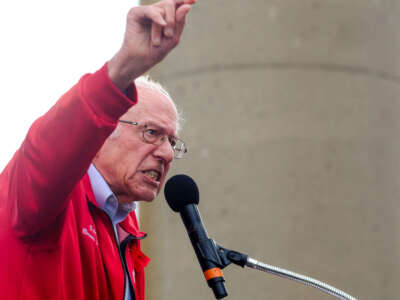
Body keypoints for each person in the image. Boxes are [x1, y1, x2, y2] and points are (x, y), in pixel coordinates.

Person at [0, 0, 195, 299]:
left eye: (171, 141)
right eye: (151, 133)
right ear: (103, 131)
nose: (166, 154)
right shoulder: (45, 198)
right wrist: (124, 67)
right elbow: (50, 146)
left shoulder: (125, 226)